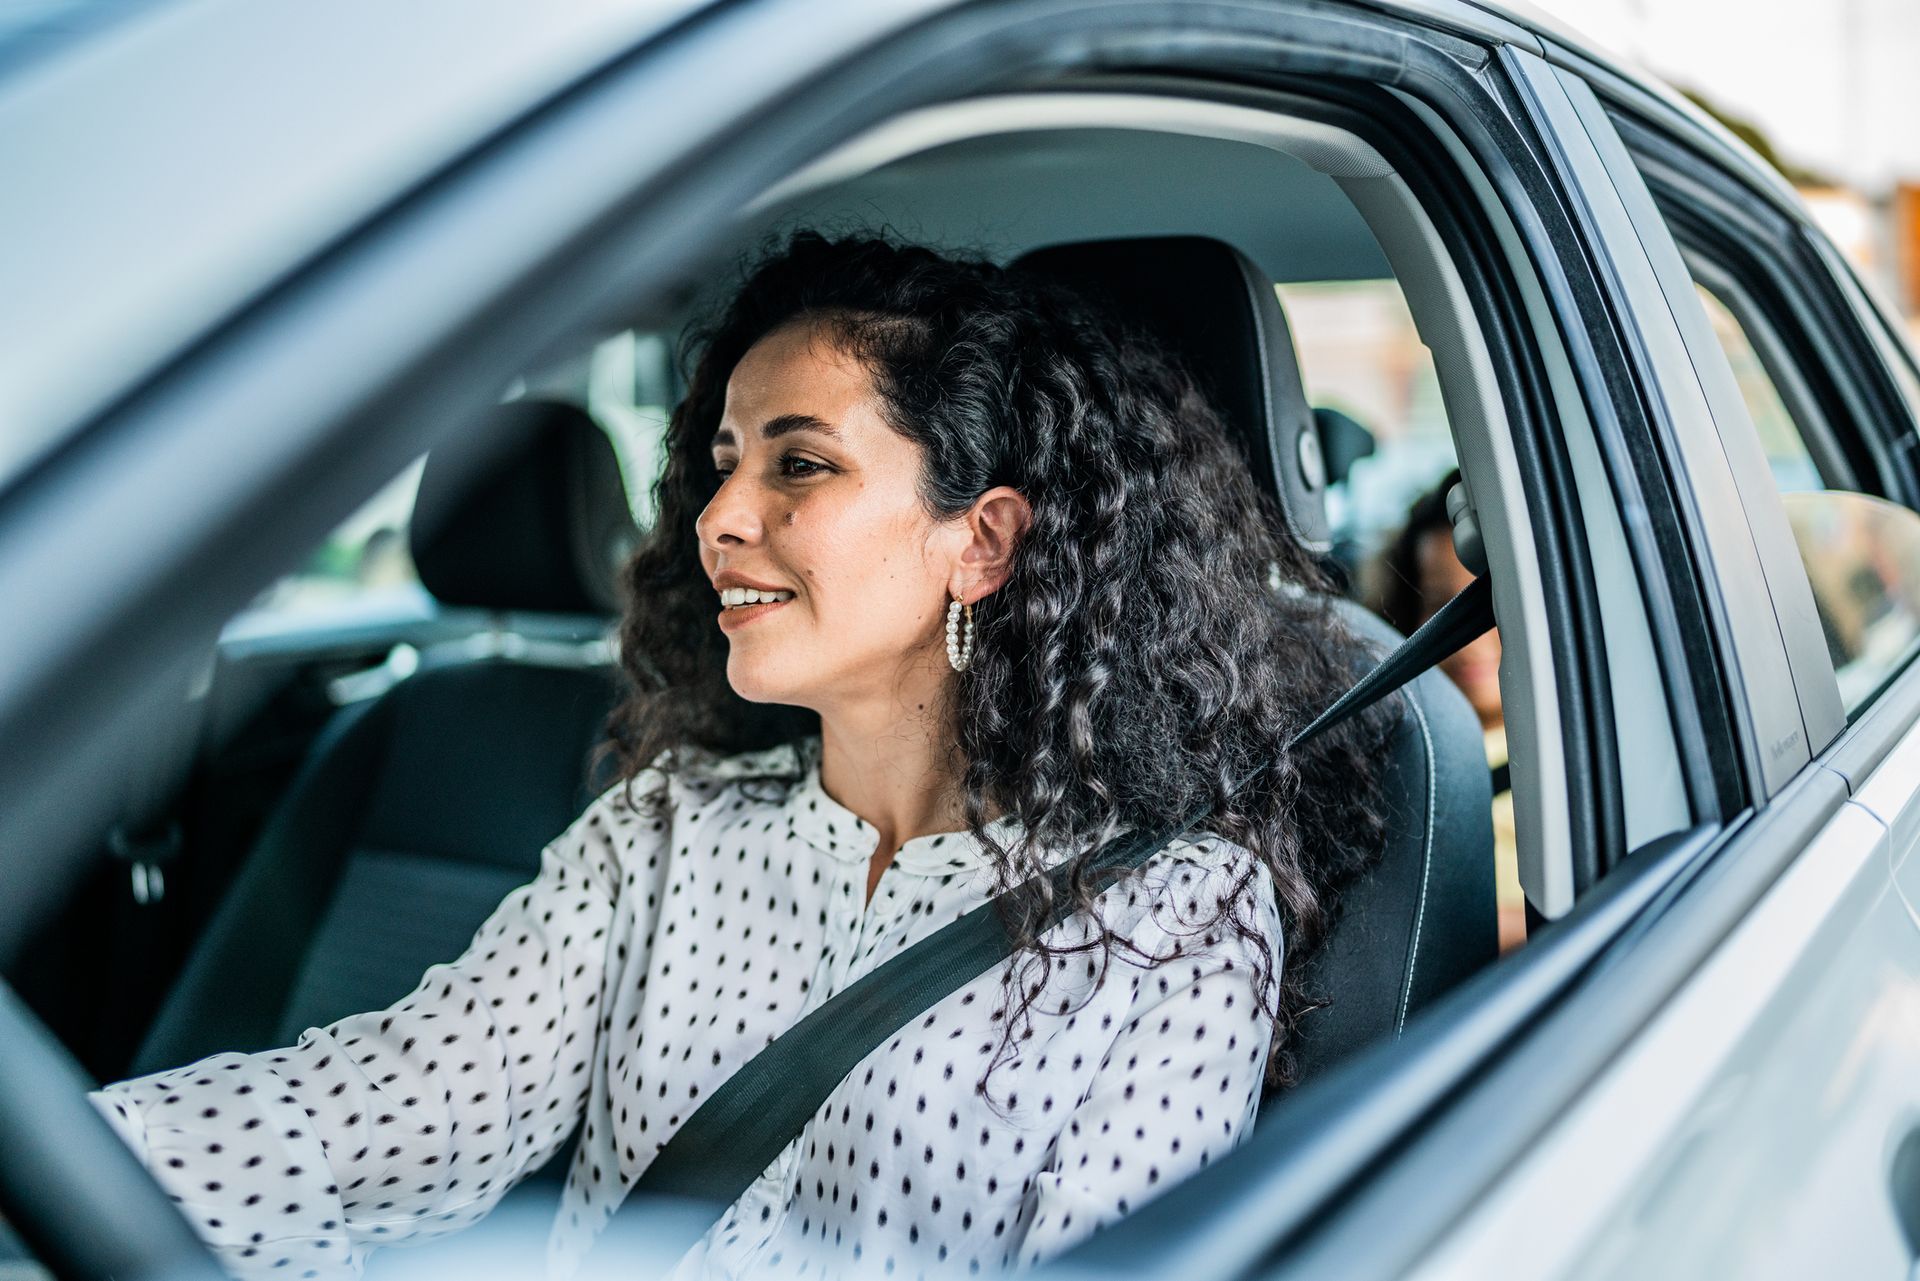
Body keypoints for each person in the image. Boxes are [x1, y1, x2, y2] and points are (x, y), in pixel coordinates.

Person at [88, 231, 1395, 1280]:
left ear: (981, 543)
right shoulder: (666, 827)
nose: (718, 516)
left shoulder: (1172, 914)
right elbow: (382, 1110)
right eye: (721, 464)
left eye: (801, 465)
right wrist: (77, 1166)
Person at [1369, 469, 1524, 952]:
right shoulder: (1404, 741)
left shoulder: (1557, 754)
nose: (1471, 640)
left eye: (1489, 607)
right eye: (1443, 611)